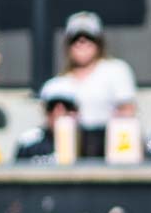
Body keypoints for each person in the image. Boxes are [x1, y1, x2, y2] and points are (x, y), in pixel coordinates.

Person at [58, 11, 137, 155]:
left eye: (89, 38)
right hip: (74, 148)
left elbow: (127, 111)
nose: (82, 44)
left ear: (99, 43)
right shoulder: (59, 84)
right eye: (76, 39)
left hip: (112, 146)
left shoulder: (116, 70)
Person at [15, 77, 80, 162]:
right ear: (44, 110)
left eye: (67, 106)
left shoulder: (89, 145)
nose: (59, 112)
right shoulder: (29, 143)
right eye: (52, 105)